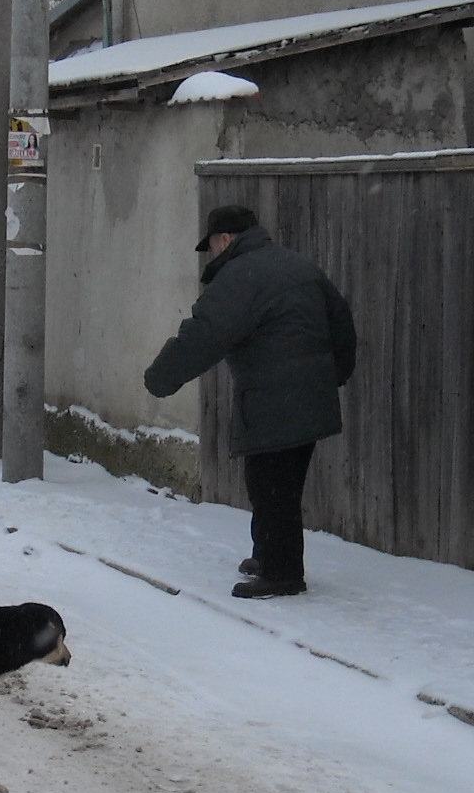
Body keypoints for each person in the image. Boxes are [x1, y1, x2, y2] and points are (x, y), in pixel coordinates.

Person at [143, 205, 356, 599]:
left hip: (275, 397)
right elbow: (341, 322)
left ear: (224, 239)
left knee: (271, 486)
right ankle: (268, 555)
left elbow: (205, 334)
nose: (211, 255)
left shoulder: (241, 278)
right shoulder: (297, 265)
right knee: (278, 482)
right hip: (308, 394)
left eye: (210, 246)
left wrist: (160, 378)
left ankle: (282, 572)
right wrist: (333, 375)